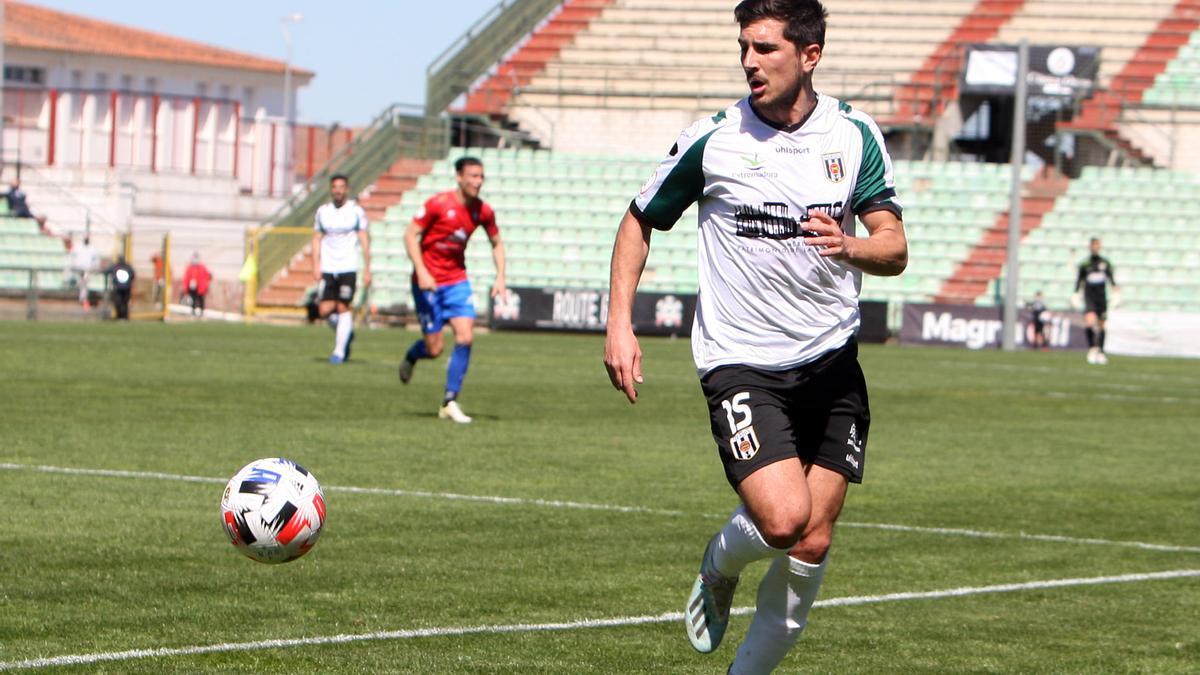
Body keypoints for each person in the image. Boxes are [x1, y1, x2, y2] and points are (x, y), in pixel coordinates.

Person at [603, 2, 908, 672]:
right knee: (781, 520)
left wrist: (852, 245)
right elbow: (638, 219)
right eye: (744, 46)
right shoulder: (715, 140)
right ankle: (721, 560)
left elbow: (895, 246)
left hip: (832, 365)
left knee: (813, 540)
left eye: (766, 48)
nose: (749, 62)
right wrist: (618, 322)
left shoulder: (855, 134)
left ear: (810, 53)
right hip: (743, 363)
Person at [397, 156, 507, 424]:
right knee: (434, 349)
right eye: (473, 176)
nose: (478, 182)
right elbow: (410, 235)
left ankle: (449, 401)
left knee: (465, 337)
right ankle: (413, 355)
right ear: (459, 177)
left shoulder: (483, 211)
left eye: (481, 176)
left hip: (457, 280)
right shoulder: (438, 204)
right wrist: (421, 271)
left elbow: (496, 243)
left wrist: (500, 276)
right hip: (428, 283)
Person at [311, 174, 371, 364]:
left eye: (341, 187)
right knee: (324, 310)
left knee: (343, 307)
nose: (338, 190)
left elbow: (363, 240)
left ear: (347, 189)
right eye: (334, 187)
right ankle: (345, 333)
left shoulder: (355, 211)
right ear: (331, 189)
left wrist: (367, 268)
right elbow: (316, 238)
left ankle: (339, 352)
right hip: (328, 267)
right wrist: (315, 264)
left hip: (348, 267)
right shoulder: (323, 212)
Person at [1072, 237, 1118, 365]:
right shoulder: (1085, 264)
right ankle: (1092, 348)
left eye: (1097, 245)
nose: (1095, 247)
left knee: (1102, 325)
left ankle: (1101, 351)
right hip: (1089, 298)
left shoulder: (1105, 263)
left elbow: (1112, 281)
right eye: (1093, 245)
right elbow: (1079, 281)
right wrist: (1075, 294)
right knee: (1090, 322)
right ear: (1090, 247)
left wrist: (1116, 294)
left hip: (1102, 298)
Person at [70, 237, 100, 309]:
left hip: (87, 269)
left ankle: (83, 300)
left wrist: (95, 268)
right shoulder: (78, 247)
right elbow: (72, 257)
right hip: (79, 269)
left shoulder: (92, 248)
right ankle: (83, 299)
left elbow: (95, 260)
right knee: (82, 284)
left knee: (84, 284)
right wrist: (73, 266)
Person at [181, 252, 213, 317]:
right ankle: (193, 311)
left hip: (200, 287)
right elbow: (186, 277)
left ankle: (201, 312)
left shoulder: (202, 267)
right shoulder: (189, 267)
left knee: (201, 299)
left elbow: (206, 276)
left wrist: (208, 279)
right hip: (192, 287)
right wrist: (186, 286)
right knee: (193, 299)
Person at [107, 255, 135, 320]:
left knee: (120, 302)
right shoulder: (127, 267)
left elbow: (107, 271)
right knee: (123, 302)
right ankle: (123, 316)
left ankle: (121, 316)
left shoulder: (116, 266)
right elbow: (133, 275)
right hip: (126, 288)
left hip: (120, 288)